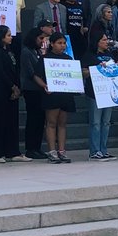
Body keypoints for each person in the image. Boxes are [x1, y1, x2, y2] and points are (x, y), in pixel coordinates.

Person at [0, 25, 25, 163]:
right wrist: (12, 86)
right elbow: (0, 71)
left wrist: (17, 86)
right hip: (1, 89)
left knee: (12, 121)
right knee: (0, 120)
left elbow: (15, 68)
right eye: (8, 35)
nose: (11, 38)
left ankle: (12, 151)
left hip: (12, 90)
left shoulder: (9, 51)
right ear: (1, 37)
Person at [84, 28, 118, 161]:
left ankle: (103, 149)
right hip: (94, 93)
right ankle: (94, 150)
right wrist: (97, 68)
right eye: (103, 40)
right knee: (95, 123)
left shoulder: (110, 54)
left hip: (109, 92)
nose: (106, 42)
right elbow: (83, 72)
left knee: (106, 122)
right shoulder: (89, 55)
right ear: (97, 42)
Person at [42, 32, 75, 163]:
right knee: (51, 123)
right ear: (52, 44)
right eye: (59, 43)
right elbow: (36, 75)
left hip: (65, 94)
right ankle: (52, 151)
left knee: (62, 123)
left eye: (64, 43)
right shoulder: (45, 58)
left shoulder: (68, 59)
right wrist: (44, 86)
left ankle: (61, 150)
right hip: (52, 95)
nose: (62, 46)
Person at [19, 28, 50, 159]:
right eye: (40, 38)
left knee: (40, 119)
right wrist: (43, 84)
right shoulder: (26, 52)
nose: (42, 41)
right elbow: (31, 72)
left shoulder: (36, 51)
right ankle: (30, 148)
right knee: (33, 119)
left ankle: (37, 147)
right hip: (31, 88)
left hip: (39, 89)